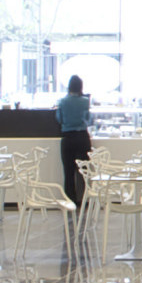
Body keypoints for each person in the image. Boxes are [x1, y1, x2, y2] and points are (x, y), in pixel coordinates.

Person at [55, 72, 93, 213]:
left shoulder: (63, 102)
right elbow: (88, 118)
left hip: (68, 138)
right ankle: (84, 199)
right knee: (83, 172)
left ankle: (70, 200)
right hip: (83, 137)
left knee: (68, 171)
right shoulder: (85, 101)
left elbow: (59, 119)